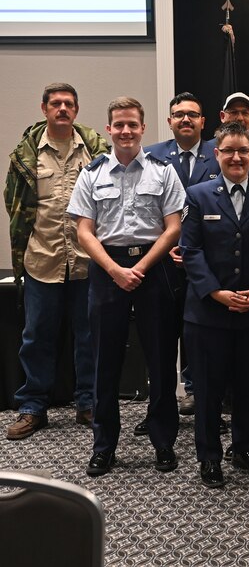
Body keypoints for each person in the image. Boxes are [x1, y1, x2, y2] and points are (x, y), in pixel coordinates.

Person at [68, 97, 186, 477]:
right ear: (108, 129)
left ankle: (163, 442)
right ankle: (104, 446)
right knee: (105, 362)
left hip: (154, 267)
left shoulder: (163, 171)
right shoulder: (92, 173)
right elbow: (83, 231)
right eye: (119, 124)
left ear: (143, 128)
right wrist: (116, 270)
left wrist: (140, 267)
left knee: (162, 360)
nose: (125, 131)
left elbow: (174, 227)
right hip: (107, 269)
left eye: (132, 124)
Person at [179, 122, 249, 488]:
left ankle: (245, 449)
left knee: (247, 386)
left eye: (244, 150)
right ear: (217, 154)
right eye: (229, 151)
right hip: (208, 313)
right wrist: (215, 292)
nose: (237, 157)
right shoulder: (197, 195)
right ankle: (209, 457)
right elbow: (191, 252)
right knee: (209, 391)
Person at [5, 82, 109, 440]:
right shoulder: (27, 153)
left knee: (89, 336)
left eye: (68, 104)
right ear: (44, 109)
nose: (62, 109)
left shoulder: (95, 152)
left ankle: (87, 402)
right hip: (42, 259)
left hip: (86, 260)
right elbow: (14, 204)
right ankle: (33, 406)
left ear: (76, 110)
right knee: (36, 337)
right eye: (55, 104)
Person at [145, 91, 220, 419]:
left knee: (202, 340)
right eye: (179, 114)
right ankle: (158, 408)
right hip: (162, 262)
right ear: (169, 121)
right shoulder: (150, 156)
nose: (186, 119)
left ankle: (203, 404)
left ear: (204, 122)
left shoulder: (220, 154)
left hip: (207, 264)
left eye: (192, 114)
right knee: (161, 338)